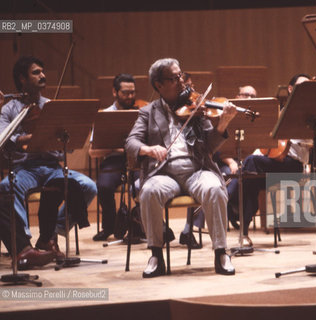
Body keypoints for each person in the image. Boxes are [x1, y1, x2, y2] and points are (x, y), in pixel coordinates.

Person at [125, 58, 237, 277]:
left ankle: (221, 253)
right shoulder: (148, 112)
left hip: (197, 170)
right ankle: (156, 254)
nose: (181, 82)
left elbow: (209, 146)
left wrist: (222, 124)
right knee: (148, 191)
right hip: (164, 173)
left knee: (214, 188)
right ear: (158, 85)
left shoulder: (195, 107)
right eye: (174, 78)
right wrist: (148, 149)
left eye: (180, 76)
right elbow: (131, 142)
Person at [0, 56, 97, 269]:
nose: (43, 76)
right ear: (22, 79)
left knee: (88, 186)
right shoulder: (9, 109)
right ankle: (24, 243)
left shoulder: (52, 107)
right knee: (6, 187)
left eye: (42, 72)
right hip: (25, 168)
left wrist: (64, 136)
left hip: (53, 166)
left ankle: (51, 234)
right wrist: (29, 137)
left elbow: (69, 146)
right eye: (36, 72)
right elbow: (3, 139)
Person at [227, 74, 312, 247]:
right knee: (252, 179)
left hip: (293, 166)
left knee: (251, 165)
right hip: (275, 164)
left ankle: (232, 202)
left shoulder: (309, 112)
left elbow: (311, 141)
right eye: (302, 85)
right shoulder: (280, 110)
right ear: (290, 89)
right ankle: (243, 234)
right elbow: (268, 144)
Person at [92, 73, 140, 241]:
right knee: (104, 186)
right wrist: (117, 148)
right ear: (115, 92)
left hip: (137, 161)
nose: (130, 97)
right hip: (112, 161)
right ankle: (109, 227)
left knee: (145, 185)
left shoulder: (141, 114)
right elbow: (92, 152)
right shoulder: (104, 115)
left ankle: (141, 225)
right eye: (126, 93)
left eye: (133, 92)